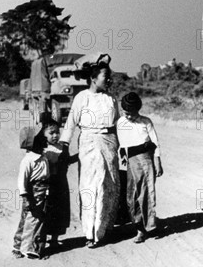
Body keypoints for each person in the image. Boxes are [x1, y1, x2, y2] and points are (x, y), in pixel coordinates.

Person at [60, 55, 120, 248]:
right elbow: (70, 124)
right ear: (93, 78)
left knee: (109, 185)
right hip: (88, 143)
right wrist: (62, 146)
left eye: (109, 76)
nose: (109, 80)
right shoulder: (81, 98)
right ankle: (90, 232)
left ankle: (104, 230)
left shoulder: (111, 99)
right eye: (105, 76)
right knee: (90, 186)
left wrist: (124, 146)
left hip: (109, 143)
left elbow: (118, 124)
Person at [117, 92, 163, 243]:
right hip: (129, 163)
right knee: (132, 196)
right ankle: (138, 226)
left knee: (146, 194)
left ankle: (147, 227)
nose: (128, 116)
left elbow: (155, 143)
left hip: (145, 161)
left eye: (131, 113)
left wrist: (157, 162)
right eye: (125, 113)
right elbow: (120, 145)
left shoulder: (146, 122)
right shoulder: (120, 123)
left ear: (138, 109)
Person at [13, 126, 50, 259]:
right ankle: (24, 248)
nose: (45, 138)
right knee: (31, 220)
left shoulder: (42, 156)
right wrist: (26, 197)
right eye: (41, 137)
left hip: (43, 190)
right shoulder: (28, 160)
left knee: (34, 219)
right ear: (34, 143)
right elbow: (22, 180)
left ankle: (25, 247)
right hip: (33, 193)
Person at [40, 119, 75, 248]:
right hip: (47, 185)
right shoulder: (42, 149)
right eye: (51, 133)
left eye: (57, 132)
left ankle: (54, 240)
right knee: (45, 212)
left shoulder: (63, 148)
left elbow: (68, 161)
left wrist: (81, 155)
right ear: (44, 134)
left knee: (60, 212)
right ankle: (42, 241)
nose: (55, 135)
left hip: (61, 186)